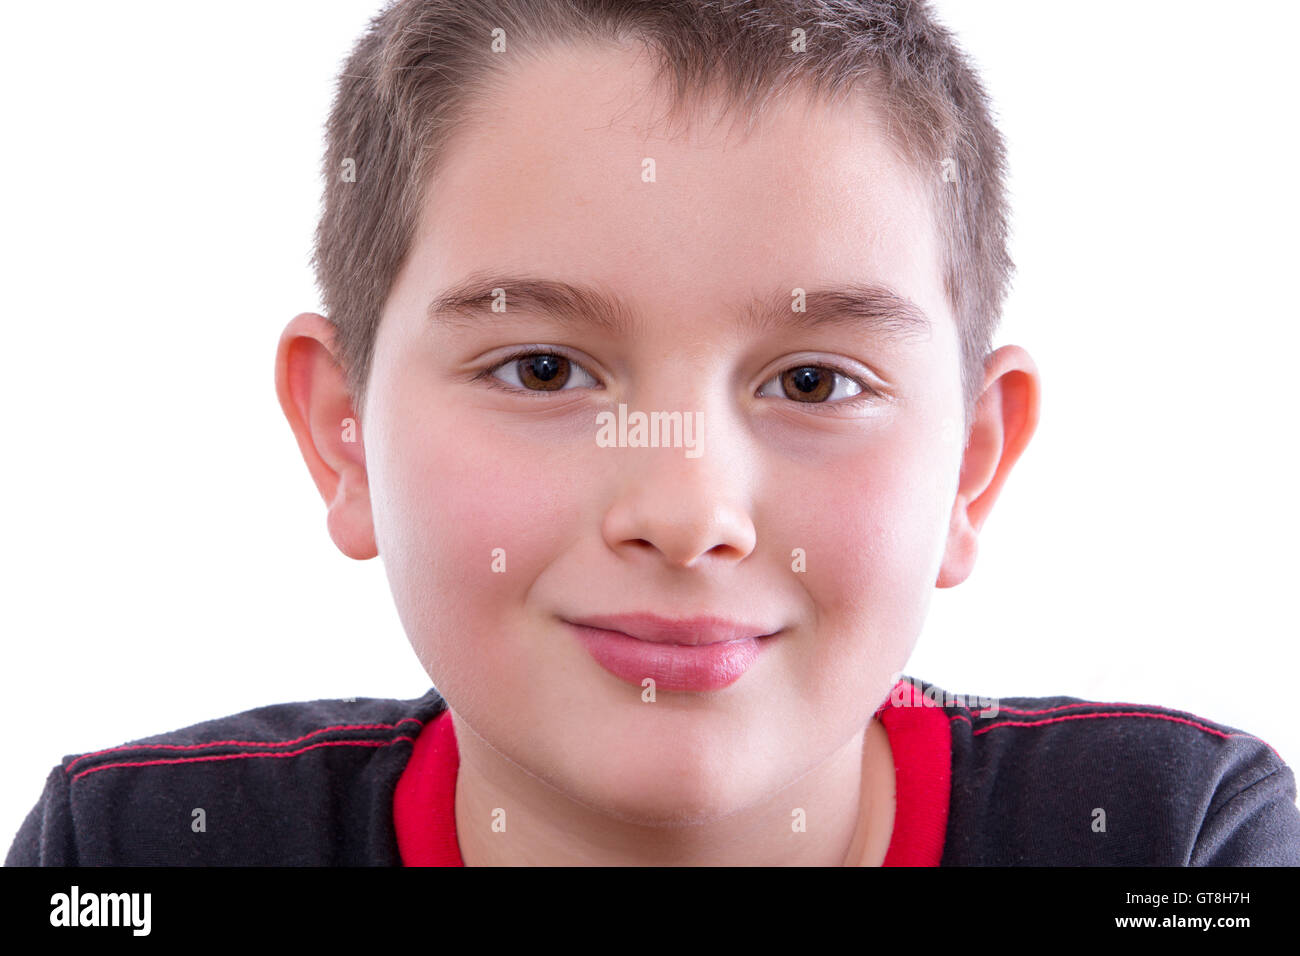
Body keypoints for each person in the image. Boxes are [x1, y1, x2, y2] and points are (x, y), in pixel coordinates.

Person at [8, 0, 1298, 866]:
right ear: (343, 433)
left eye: (812, 384)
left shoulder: (1169, 846)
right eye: (543, 366)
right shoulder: (135, 855)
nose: (686, 510)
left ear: (971, 463)